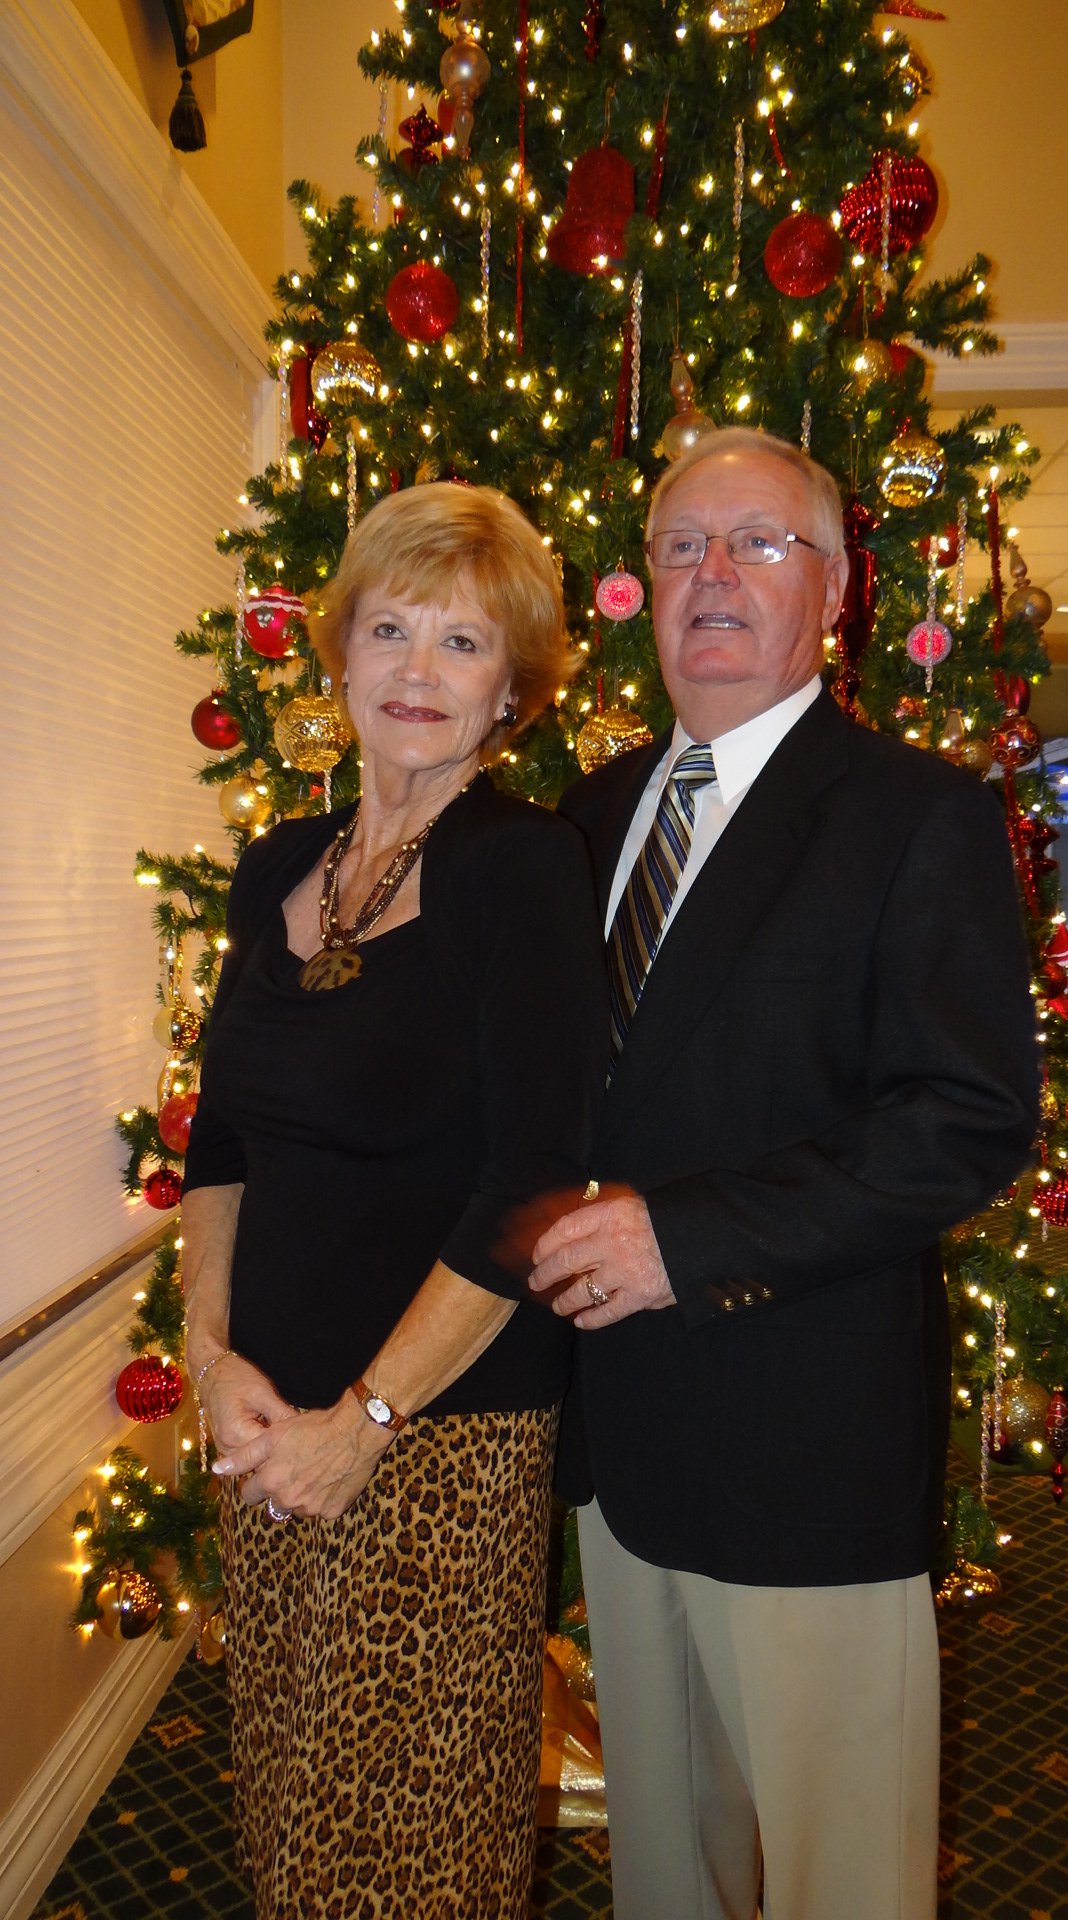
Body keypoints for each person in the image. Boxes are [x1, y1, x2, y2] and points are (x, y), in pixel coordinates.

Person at [529, 426, 1039, 1920]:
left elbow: (964, 1118)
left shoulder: (918, 814)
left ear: (836, 589)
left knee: (840, 1877)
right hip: (616, 1446)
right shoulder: (586, 817)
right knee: (663, 1864)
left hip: (804, 1444)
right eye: (682, 545)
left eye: (760, 543)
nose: (715, 574)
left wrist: (681, 1241)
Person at [181, 481, 608, 1920]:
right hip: (265, 1414)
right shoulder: (275, 869)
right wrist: (210, 1356)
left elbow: (532, 1183)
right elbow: (222, 1139)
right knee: (294, 1787)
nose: (419, 672)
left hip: (439, 1434)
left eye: (463, 643)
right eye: (391, 630)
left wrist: (365, 1424)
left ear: (511, 690)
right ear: (342, 654)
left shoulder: (526, 867)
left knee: (418, 1825)